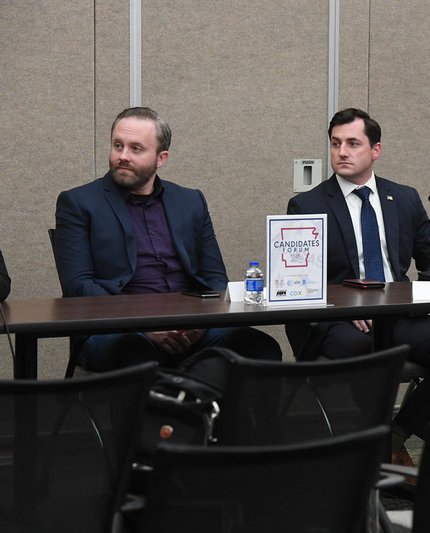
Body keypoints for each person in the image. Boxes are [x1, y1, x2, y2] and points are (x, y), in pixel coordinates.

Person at [285, 108, 430, 465]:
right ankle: (368, 450)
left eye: (353, 143)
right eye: (336, 143)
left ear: (375, 150)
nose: (342, 152)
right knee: (368, 354)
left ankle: (394, 437)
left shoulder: (403, 198)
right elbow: (302, 279)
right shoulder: (308, 204)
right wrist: (350, 306)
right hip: (342, 319)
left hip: (398, 314)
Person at [54, 107, 281, 371]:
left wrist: (201, 324)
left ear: (161, 158)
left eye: (136, 148)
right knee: (137, 356)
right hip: (117, 328)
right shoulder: (79, 202)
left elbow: (215, 278)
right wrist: (144, 324)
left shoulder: (190, 201)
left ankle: (208, 412)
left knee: (260, 348)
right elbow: (79, 287)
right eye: (118, 146)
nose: (123, 156)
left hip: (191, 326)